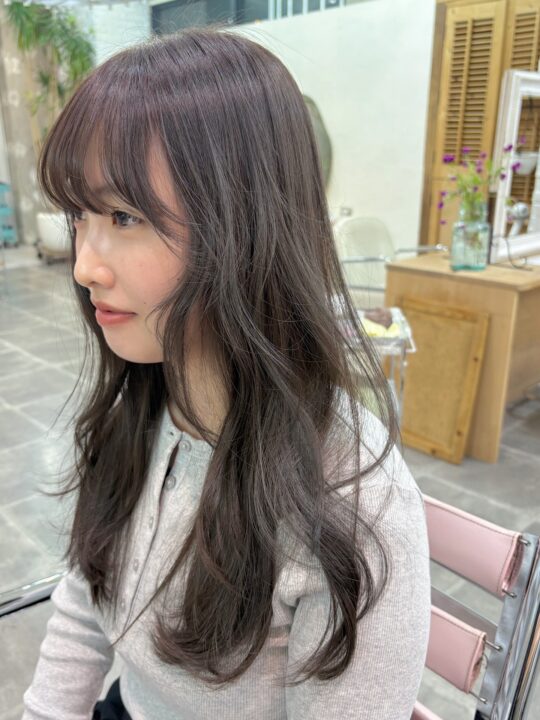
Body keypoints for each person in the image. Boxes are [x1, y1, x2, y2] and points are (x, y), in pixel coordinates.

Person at [22, 27, 430, 720]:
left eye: (123, 215)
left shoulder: (354, 503)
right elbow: (87, 597)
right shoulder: (144, 407)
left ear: (242, 226)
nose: (85, 265)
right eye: (79, 215)